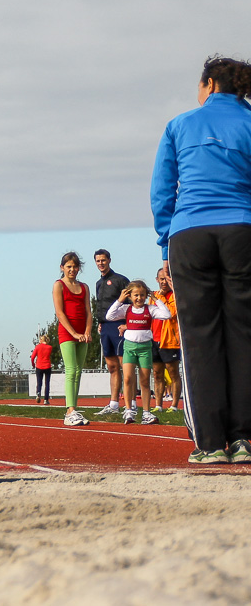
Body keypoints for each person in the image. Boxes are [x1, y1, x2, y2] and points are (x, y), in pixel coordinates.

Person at [150, 55, 251, 464]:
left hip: (191, 233)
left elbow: (162, 191)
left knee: (199, 338)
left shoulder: (180, 124)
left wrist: (164, 245)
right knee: (244, 335)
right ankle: (245, 439)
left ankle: (209, 443)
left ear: (208, 84)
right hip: (243, 229)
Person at [105, 281, 171, 425]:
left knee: (145, 381)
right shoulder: (126, 309)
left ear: (146, 295)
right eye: (136, 295)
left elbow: (167, 315)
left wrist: (155, 299)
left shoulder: (150, 309)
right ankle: (129, 410)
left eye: (142, 295)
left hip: (145, 348)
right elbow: (109, 316)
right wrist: (120, 300)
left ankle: (146, 413)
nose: (139, 298)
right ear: (130, 295)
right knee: (128, 379)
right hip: (129, 347)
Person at [52, 252, 92, 427]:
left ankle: (73, 409)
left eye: (75, 267)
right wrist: (74, 333)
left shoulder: (84, 287)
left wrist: (87, 331)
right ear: (62, 268)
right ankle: (70, 410)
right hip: (68, 333)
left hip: (83, 333)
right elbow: (60, 313)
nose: (72, 270)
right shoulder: (58, 285)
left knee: (78, 371)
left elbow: (88, 311)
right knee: (71, 369)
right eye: (69, 266)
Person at [93, 250, 130, 417]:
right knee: (112, 366)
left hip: (119, 327)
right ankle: (114, 404)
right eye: (98, 261)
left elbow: (133, 304)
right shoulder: (98, 283)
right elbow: (100, 306)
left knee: (126, 366)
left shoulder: (121, 280)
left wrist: (127, 325)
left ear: (109, 260)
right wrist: (100, 322)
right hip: (105, 328)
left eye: (103, 260)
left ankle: (131, 405)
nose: (101, 263)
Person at [150, 268, 182, 413]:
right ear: (157, 280)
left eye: (166, 279)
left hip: (169, 341)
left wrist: (161, 297)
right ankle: (158, 405)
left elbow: (170, 313)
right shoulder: (153, 296)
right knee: (157, 374)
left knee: (173, 372)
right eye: (161, 279)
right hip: (154, 339)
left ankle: (174, 405)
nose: (164, 282)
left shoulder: (175, 296)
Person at [29, 334, 52, 404]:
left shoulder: (38, 347)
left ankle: (38, 393)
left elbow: (32, 357)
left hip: (39, 366)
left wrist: (33, 364)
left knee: (39, 382)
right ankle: (46, 399)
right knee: (47, 383)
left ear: (41, 340)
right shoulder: (50, 347)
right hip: (47, 366)